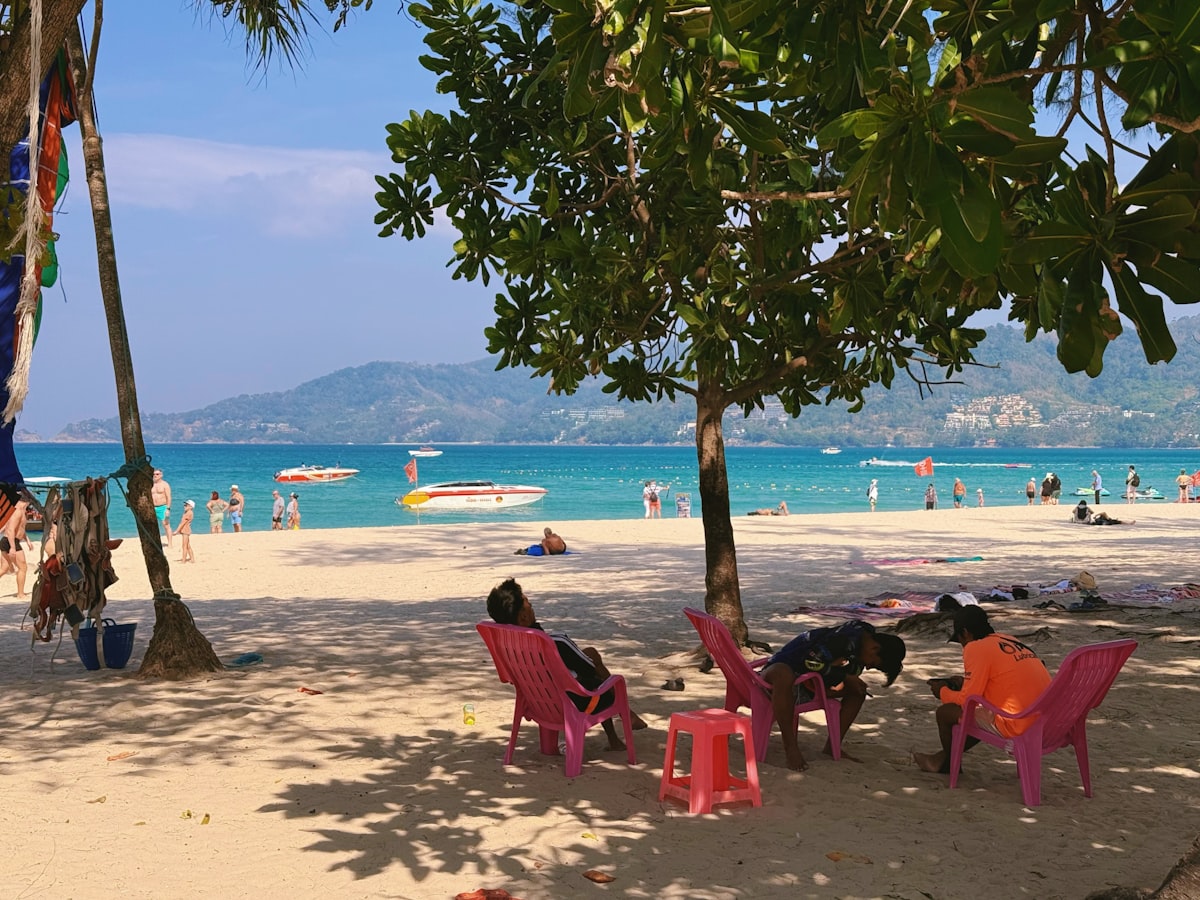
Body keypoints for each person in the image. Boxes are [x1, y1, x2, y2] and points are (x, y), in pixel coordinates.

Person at [485, 578, 647, 748]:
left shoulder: (510, 646)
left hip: (537, 704)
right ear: (523, 617)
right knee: (596, 670)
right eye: (528, 603)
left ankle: (616, 733)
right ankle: (626, 717)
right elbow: (589, 668)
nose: (531, 605)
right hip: (575, 704)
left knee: (588, 658)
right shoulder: (556, 643)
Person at [913, 606, 1051, 775]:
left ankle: (949, 765)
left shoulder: (975, 648)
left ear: (965, 633)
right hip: (1047, 720)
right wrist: (965, 683)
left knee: (946, 712)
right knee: (975, 714)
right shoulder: (1009, 640)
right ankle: (942, 759)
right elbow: (1001, 683)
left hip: (1019, 723)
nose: (963, 646)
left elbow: (968, 701)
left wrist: (942, 691)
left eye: (960, 640)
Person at [760, 620, 906, 770]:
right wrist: (845, 676)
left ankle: (833, 746)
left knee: (858, 691)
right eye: (873, 663)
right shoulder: (843, 640)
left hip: (808, 683)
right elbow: (810, 662)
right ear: (874, 648)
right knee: (783, 674)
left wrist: (844, 677)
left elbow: (842, 671)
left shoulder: (861, 640)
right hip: (778, 678)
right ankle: (791, 748)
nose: (868, 667)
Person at [0, 498, 29, 599]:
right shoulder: (17, 512)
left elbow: (20, 529)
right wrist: (12, 547)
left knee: (4, 568)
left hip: (6, 541)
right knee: (23, 568)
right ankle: (20, 594)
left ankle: (20, 593)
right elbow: (11, 530)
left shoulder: (20, 511)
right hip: (10, 541)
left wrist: (28, 540)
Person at [151, 468, 173, 547]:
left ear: (161, 475)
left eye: (157, 474)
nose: (155, 476)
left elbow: (169, 497)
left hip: (163, 507)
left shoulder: (165, 484)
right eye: (154, 474)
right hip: (152, 507)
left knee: (166, 525)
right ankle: (154, 542)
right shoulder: (150, 484)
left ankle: (170, 543)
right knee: (152, 525)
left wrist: (168, 508)